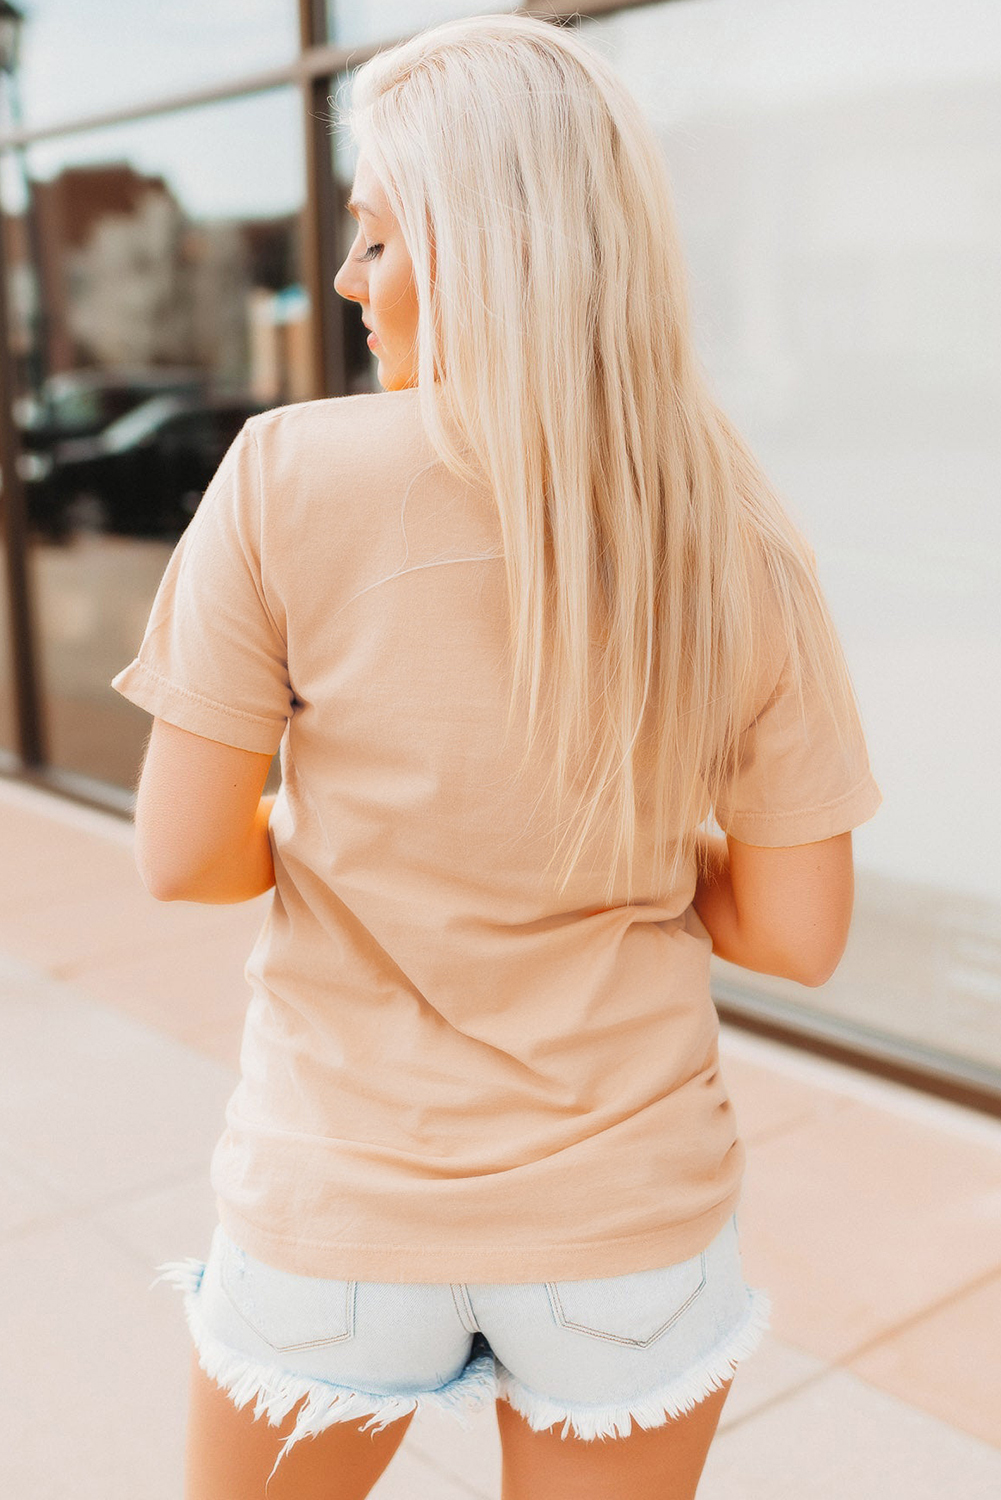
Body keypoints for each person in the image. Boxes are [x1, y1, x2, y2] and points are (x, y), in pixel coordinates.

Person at [110, 13, 882, 1500]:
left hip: (336, 1203)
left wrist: (371, 847)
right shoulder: (734, 526)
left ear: (480, 253)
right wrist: (630, 851)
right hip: (626, 1221)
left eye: (379, 241)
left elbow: (183, 856)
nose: (347, 280)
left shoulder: (283, 474)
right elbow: (797, 933)